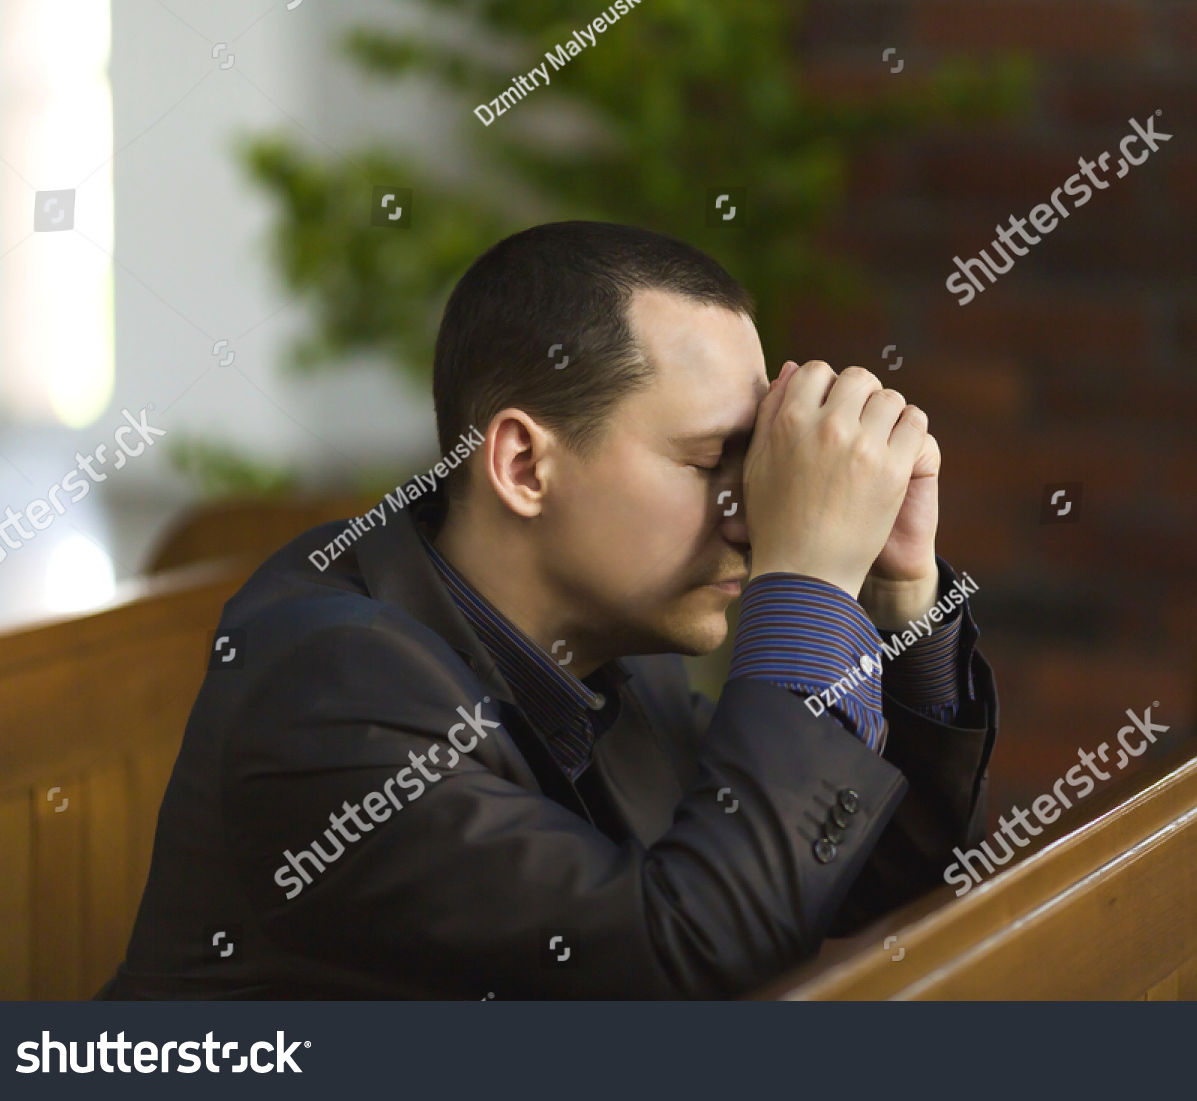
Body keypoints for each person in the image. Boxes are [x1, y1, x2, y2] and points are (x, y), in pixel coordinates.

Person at [99, 221, 998, 999]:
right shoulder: (330, 694)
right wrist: (806, 584)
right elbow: (690, 965)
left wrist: (896, 596)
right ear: (524, 466)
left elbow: (848, 875)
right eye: (708, 461)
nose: (756, 512)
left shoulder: (608, 642)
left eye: (755, 459)